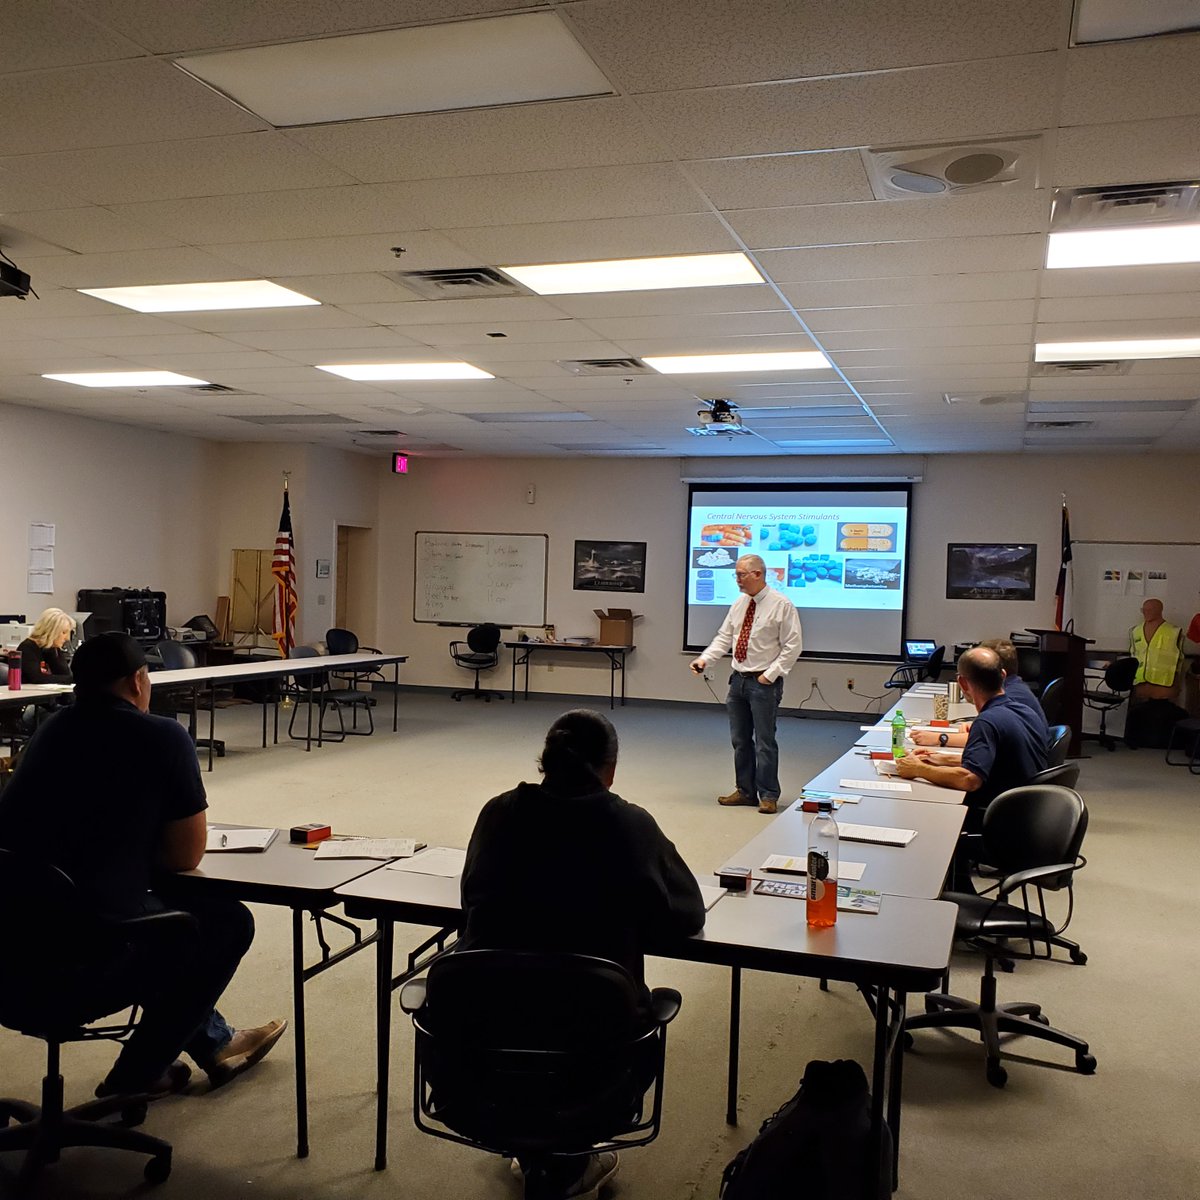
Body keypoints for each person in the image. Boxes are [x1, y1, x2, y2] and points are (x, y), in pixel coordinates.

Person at [0, 632, 285, 1098]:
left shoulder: (48, 731)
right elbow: (184, 856)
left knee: (165, 915)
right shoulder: (163, 736)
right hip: (81, 954)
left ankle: (214, 1041)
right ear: (137, 681)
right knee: (224, 922)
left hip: (13, 945)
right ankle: (135, 1076)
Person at [460, 709, 705, 1200]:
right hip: (595, 1050)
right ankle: (567, 1161)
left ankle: (535, 1146)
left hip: (486, 1040)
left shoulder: (499, 813)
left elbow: (471, 897)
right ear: (610, 768)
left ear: (545, 761)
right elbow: (685, 915)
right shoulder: (629, 825)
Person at [689, 554, 803, 814]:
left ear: (758, 574)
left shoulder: (781, 605)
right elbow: (724, 637)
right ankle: (745, 791)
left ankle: (769, 795)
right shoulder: (740, 603)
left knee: (765, 741)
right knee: (740, 740)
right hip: (738, 681)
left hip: (764, 683)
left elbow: (793, 646)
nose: (737, 579)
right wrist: (705, 659)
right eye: (736, 574)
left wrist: (770, 675)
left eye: (741, 574)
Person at [895, 646, 1047, 834]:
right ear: (1003, 675)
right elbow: (998, 760)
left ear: (962, 683)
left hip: (999, 822)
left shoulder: (987, 722)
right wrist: (937, 758)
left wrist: (919, 769)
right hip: (1030, 816)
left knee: (919, 809)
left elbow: (969, 779)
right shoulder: (1024, 711)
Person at [910, 638, 1049, 751]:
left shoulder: (1012, 696)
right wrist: (975, 726)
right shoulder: (1015, 687)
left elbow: (986, 740)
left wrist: (939, 738)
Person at [1130, 597, 1183, 702]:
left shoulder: (1174, 631)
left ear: (1160, 610)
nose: (1146, 613)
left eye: (1150, 610)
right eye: (1143, 610)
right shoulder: (1135, 631)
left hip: (1165, 687)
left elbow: (1180, 661)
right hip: (1141, 686)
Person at [18, 607, 76, 684]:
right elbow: (37, 678)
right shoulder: (27, 648)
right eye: (64, 632)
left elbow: (65, 675)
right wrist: (74, 679)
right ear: (51, 631)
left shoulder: (52, 647)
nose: (67, 638)